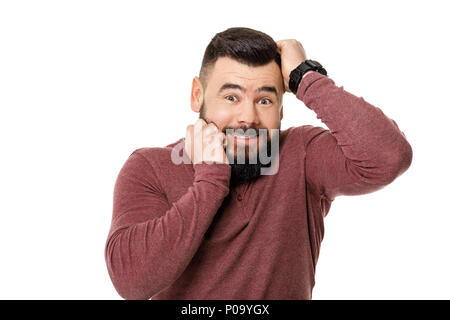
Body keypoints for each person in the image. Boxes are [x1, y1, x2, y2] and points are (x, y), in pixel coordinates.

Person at [104, 27, 413, 300]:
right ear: (197, 95)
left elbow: (389, 156)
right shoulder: (149, 167)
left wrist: (306, 77)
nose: (248, 118)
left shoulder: (301, 154)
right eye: (231, 98)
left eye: (265, 100)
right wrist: (211, 179)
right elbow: (131, 282)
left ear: (281, 109)